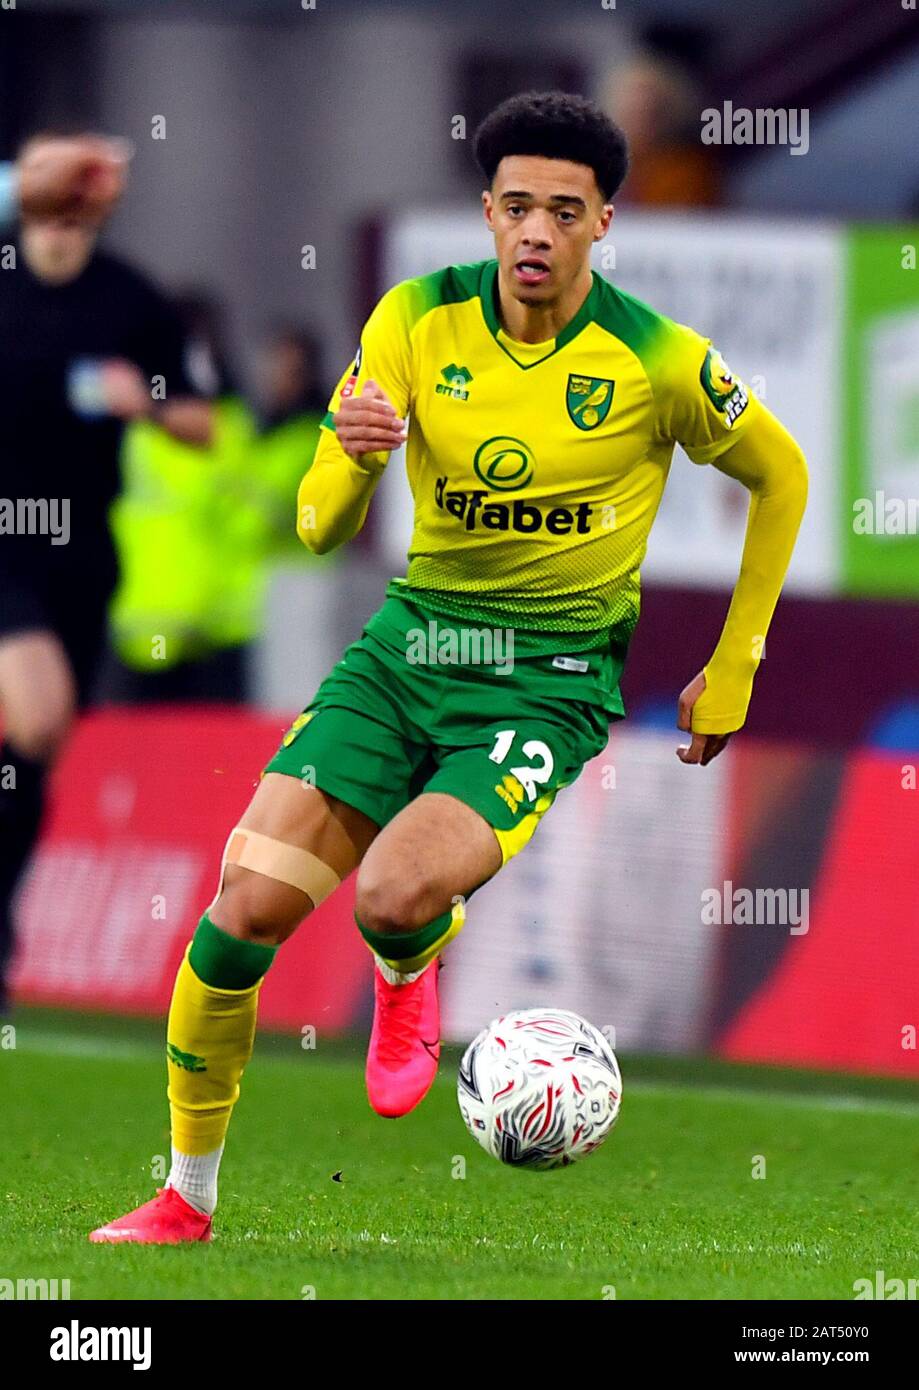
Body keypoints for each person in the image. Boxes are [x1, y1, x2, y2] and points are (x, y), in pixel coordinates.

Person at [90, 91, 807, 1245]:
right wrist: (356, 460)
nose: (534, 232)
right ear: (486, 211)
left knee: (391, 891)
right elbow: (320, 524)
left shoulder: (658, 360)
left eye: (562, 213)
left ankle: (404, 961)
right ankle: (185, 1198)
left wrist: (737, 661)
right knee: (237, 917)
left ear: (602, 224)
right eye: (515, 206)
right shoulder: (414, 321)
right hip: (407, 650)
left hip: (543, 679)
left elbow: (783, 478)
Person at [0, 135, 211, 1011]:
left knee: (39, 751)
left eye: (74, 213)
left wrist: (151, 405)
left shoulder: (132, 301)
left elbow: (202, 419)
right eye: (46, 208)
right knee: (38, 714)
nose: (58, 229)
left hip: (83, 548)